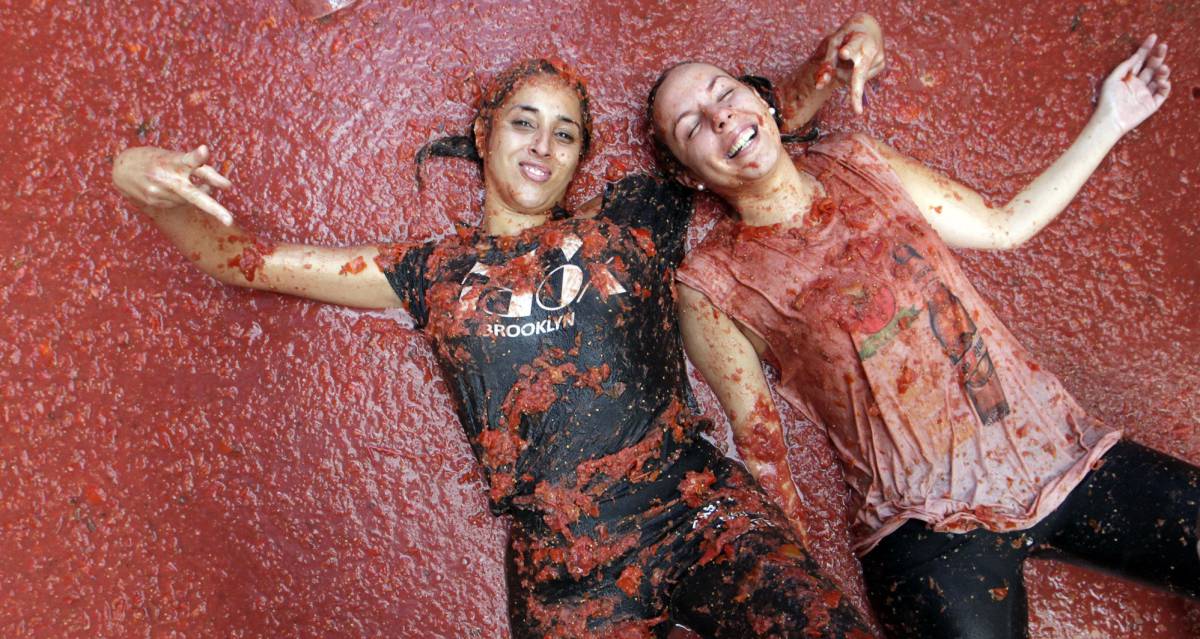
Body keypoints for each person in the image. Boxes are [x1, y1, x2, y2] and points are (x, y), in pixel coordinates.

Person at [111, 17, 885, 637]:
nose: (542, 146)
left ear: (581, 156)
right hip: (565, 572)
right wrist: (139, 182)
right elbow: (243, 261)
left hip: (699, 510)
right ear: (485, 134)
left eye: (565, 132)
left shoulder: (636, 221)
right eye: (525, 122)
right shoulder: (429, 272)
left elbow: (758, 127)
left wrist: (840, 49)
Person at [648, 33, 1199, 638]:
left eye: (723, 92)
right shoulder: (708, 284)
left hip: (1057, 455)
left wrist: (1111, 118)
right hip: (923, 532)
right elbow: (763, 448)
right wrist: (798, 602)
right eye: (692, 126)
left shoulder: (857, 160)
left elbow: (1002, 225)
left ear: (762, 103)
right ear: (688, 172)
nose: (719, 114)